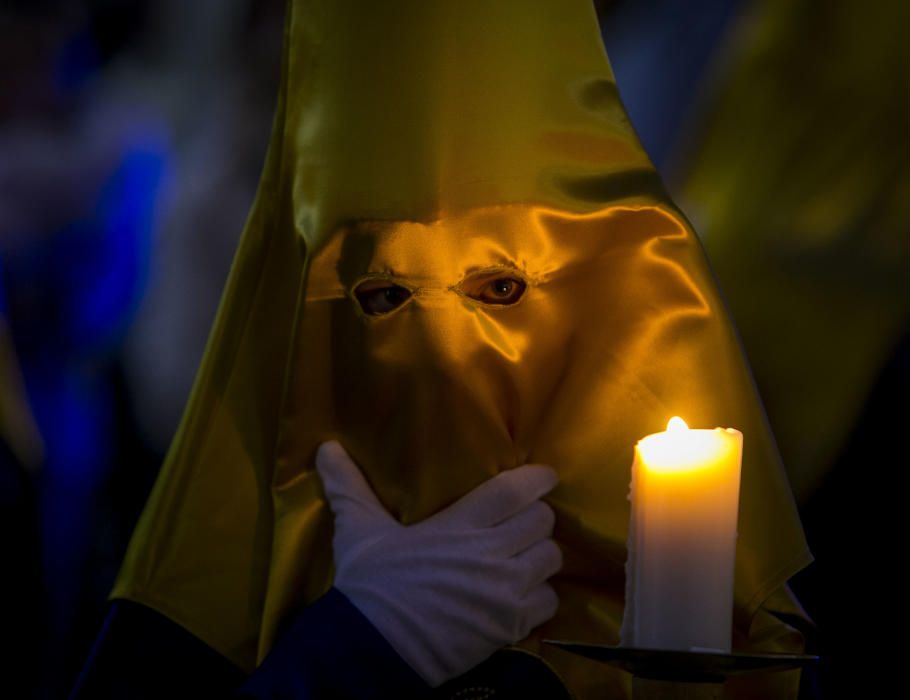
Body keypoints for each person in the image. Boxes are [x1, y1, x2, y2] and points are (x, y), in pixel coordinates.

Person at [75, 1, 813, 697]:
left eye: (502, 291)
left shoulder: (720, 622)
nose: (447, 345)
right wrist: (357, 644)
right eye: (383, 296)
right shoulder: (204, 601)